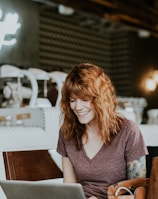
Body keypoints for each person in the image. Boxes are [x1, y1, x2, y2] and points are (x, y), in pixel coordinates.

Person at [57, 63, 148, 199]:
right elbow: (69, 188)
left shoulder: (128, 130)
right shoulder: (67, 133)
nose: (77, 107)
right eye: (72, 100)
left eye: (85, 99)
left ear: (100, 99)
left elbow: (140, 192)